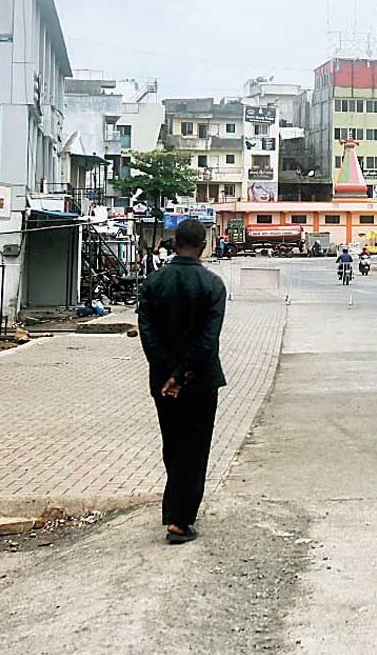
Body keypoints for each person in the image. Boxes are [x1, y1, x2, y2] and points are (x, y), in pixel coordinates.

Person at [137, 218, 227, 545]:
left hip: (162, 383)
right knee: (195, 447)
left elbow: (147, 334)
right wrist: (182, 373)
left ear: (173, 244)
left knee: (173, 444)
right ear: (203, 246)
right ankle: (179, 520)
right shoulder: (213, 285)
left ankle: (175, 510)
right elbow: (208, 340)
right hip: (200, 380)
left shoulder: (152, 283)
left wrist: (168, 374)